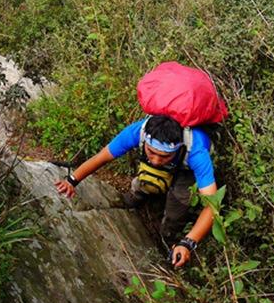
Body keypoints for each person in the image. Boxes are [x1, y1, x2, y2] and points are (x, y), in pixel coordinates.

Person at [55, 114, 218, 269]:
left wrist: (188, 242)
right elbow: (102, 158)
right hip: (176, 158)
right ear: (145, 140)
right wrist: (72, 180)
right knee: (143, 182)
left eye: (164, 156)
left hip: (187, 170)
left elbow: (212, 205)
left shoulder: (196, 151)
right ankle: (135, 198)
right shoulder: (137, 131)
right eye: (152, 152)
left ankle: (169, 235)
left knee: (177, 206)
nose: (155, 160)